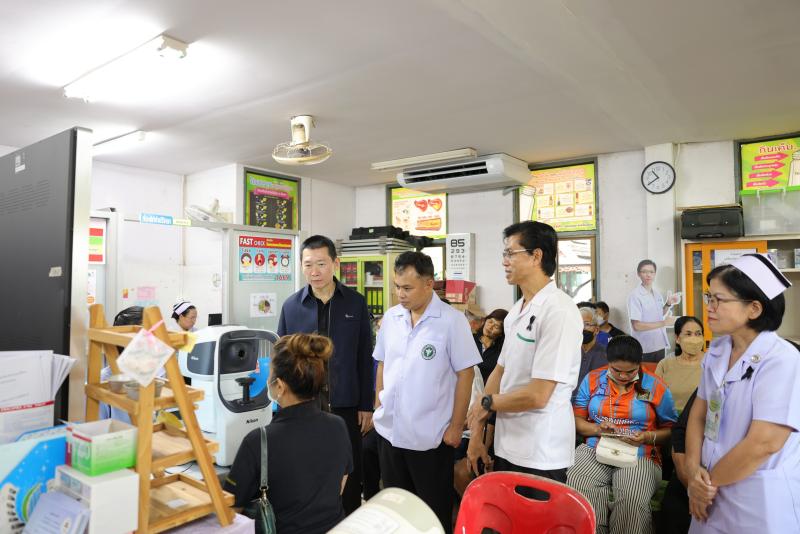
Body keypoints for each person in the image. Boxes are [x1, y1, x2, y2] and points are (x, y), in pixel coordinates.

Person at [684, 254, 799, 533]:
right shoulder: (717, 350)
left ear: (754, 309)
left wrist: (705, 486)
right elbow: (698, 416)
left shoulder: (781, 359)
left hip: (756, 499)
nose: (709, 307)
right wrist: (692, 472)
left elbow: (764, 443)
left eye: (718, 300)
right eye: (709, 297)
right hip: (709, 490)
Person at [467, 221, 583, 484]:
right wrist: (477, 434)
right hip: (507, 442)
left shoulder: (559, 311)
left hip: (541, 449)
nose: (504, 261)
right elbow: (500, 371)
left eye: (511, 253)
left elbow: (539, 395)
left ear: (536, 256)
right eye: (504, 254)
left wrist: (486, 403)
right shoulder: (517, 311)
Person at [373, 251, 480, 531]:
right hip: (390, 433)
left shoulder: (451, 321)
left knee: (431, 515)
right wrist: (378, 405)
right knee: (396, 512)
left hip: (430, 437)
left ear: (429, 284)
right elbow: (382, 363)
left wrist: (456, 426)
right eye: (397, 286)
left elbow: (465, 374)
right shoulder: (391, 318)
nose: (400, 294)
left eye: (407, 288)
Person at [277, 235, 373, 515]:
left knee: (349, 471)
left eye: (321, 264)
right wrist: (283, 405)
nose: (315, 271)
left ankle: (349, 522)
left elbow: (364, 357)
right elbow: (282, 360)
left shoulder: (355, 303)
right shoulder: (291, 306)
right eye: (308, 265)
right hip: (305, 405)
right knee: (308, 468)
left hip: (346, 404)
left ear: (335, 263)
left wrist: (366, 404)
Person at [224, 333, 352, 534]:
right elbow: (339, 488)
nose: (268, 381)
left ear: (280, 387)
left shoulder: (259, 441)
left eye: (270, 375)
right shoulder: (338, 426)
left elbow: (230, 510)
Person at [568, 335, 678, 534]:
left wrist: (646, 437)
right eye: (616, 370)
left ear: (639, 364)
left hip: (640, 453)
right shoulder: (593, 379)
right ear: (608, 362)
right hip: (595, 447)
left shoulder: (655, 386)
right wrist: (599, 429)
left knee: (631, 498)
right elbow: (577, 421)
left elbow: (671, 429)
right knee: (577, 484)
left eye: (630, 371)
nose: (624, 376)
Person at [658, 388, 698, 534]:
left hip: (732, 481)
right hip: (690, 472)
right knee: (673, 511)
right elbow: (680, 430)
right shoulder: (708, 385)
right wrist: (685, 476)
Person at [628, 260, 681, 363]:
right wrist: (664, 323)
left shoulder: (656, 294)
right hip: (644, 348)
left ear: (655, 274)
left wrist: (668, 304)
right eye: (644, 272)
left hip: (659, 344)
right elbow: (636, 326)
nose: (648, 275)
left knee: (658, 372)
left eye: (651, 272)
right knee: (646, 373)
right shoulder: (635, 296)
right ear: (638, 274)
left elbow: (659, 313)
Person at [655, 316, 704, 412]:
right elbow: (652, 394)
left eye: (698, 334)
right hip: (671, 418)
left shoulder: (713, 363)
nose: (694, 339)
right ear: (677, 338)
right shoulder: (665, 364)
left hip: (705, 418)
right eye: (688, 334)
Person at [575, 305, 608, 402]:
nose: (582, 328)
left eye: (587, 324)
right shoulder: (569, 352)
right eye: (579, 323)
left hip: (595, 402)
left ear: (596, 330)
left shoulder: (606, 354)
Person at [473, 308, 508, 384]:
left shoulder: (501, 352)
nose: (490, 327)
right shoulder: (470, 340)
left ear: (501, 333)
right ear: (485, 321)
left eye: (496, 327)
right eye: (490, 321)